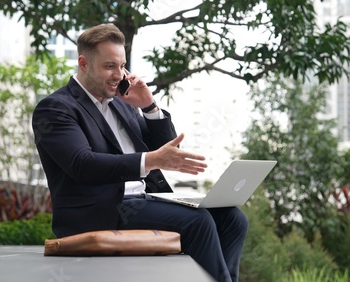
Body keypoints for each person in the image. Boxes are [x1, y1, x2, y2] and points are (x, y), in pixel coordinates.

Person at [32, 23, 248, 282]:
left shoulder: (122, 106)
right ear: (83, 63)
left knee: (233, 219)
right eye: (109, 66)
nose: (119, 75)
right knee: (198, 221)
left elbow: (168, 149)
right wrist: (151, 160)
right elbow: (83, 165)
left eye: (122, 66)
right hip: (100, 211)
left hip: (145, 201)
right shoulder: (56, 108)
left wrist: (149, 106)